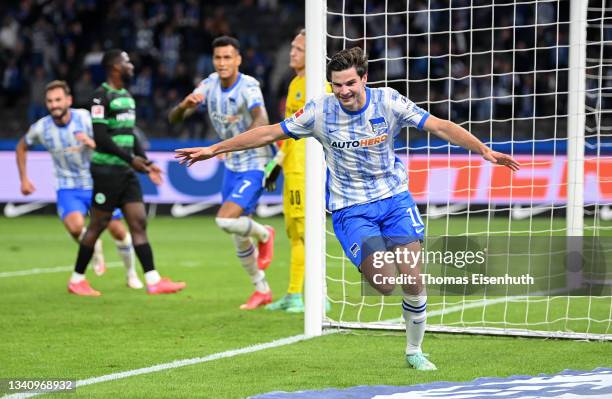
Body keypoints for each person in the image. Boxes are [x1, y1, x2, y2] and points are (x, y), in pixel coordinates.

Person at [175, 47, 520, 370]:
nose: (344, 91)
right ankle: (371, 256)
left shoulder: (388, 101)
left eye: (350, 83)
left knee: (413, 280)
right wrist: (214, 149)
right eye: (337, 85)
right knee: (385, 283)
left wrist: (483, 150)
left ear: (364, 78)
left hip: (394, 199)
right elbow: (267, 133)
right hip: (351, 209)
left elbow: (440, 126)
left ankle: (414, 351)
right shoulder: (319, 111)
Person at [169, 36, 275, 310]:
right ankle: (261, 289)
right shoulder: (208, 84)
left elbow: (261, 119)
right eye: (218, 58)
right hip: (230, 165)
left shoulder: (249, 86)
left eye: (228, 57)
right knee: (237, 235)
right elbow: (174, 119)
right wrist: (184, 106)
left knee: (225, 220)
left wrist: (248, 130)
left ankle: (265, 234)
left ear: (238, 59)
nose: (223, 63)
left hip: (254, 161)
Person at [70, 49, 186, 296]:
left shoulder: (126, 96)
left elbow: (130, 134)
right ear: (114, 67)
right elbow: (100, 137)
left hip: (125, 170)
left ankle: (153, 280)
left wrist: (144, 161)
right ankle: (77, 279)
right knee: (99, 223)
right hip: (106, 170)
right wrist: (130, 159)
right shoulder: (100, 97)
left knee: (138, 222)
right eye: (127, 61)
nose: (131, 65)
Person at [15, 80, 143, 289]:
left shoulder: (85, 118)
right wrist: (24, 179)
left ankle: (131, 275)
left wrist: (92, 143)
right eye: (50, 101)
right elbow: (21, 147)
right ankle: (94, 246)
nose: (54, 105)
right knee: (75, 228)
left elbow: (112, 142)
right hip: (67, 186)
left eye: (58, 100)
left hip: (98, 182)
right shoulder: (41, 128)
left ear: (69, 100)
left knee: (119, 231)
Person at [263, 30, 326, 313]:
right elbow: (289, 131)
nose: (292, 52)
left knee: (307, 232)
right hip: (291, 166)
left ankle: (319, 294)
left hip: (307, 170)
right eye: (292, 47)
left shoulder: (320, 87)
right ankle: (294, 294)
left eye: (299, 49)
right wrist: (277, 162)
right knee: (293, 232)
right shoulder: (294, 84)